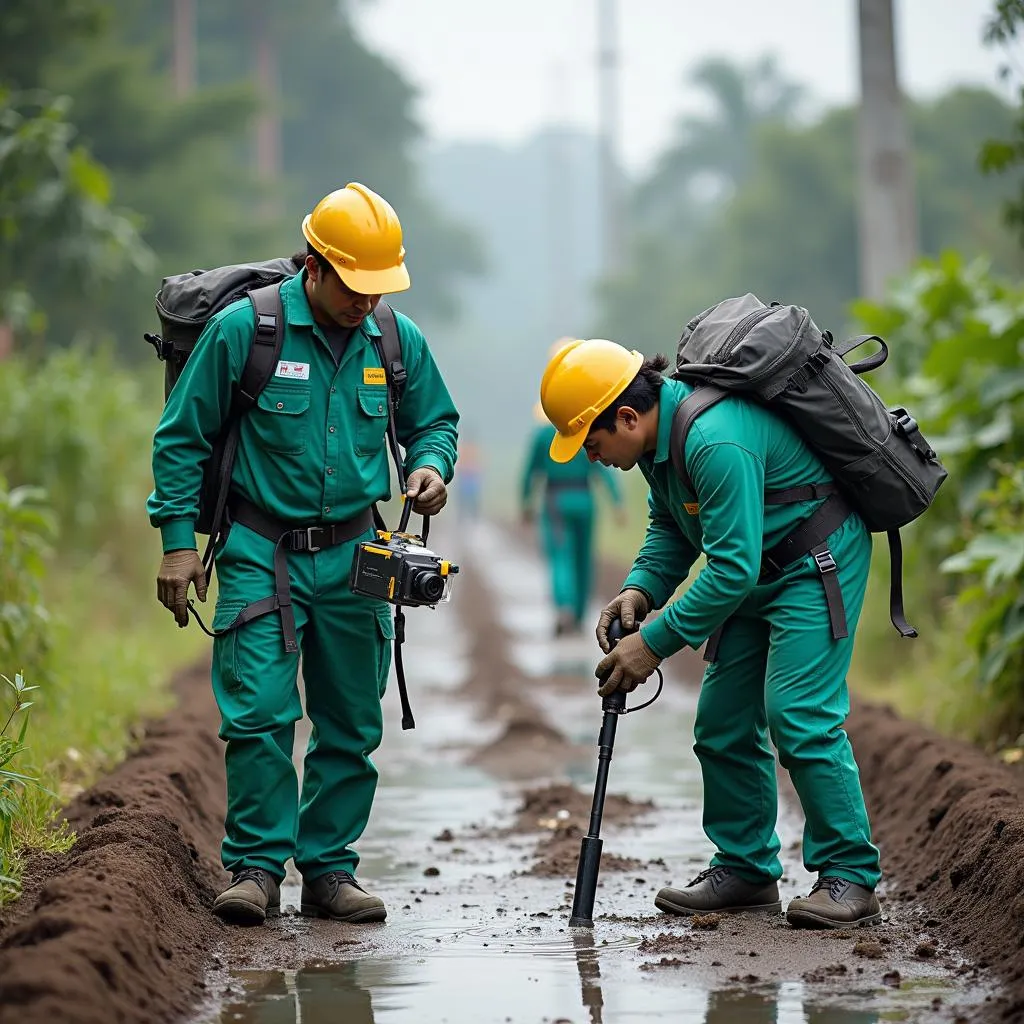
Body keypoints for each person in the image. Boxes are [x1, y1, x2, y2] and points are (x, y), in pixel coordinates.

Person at [148, 183, 459, 926]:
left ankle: (329, 870)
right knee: (259, 714)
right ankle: (255, 868)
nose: (364, 301)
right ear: (314, 266)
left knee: (351, 722)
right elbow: (180, 439)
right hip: (261, 549)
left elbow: (436, 420)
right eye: (353, 285)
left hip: (358, 551)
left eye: (376, 288)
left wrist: (431, 466)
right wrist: (176, 546)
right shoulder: (243, 332)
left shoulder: (393, 338)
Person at [538, 338, 881, 929]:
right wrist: (640, 590)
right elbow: (671, 526)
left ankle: (849, 876)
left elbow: (729, 568)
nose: (592, 458)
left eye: (592, 444)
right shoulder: (655, 443)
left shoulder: (712, 438)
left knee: (798, 715)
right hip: (757, 566)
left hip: (812, 559)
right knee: (721, 720)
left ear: (626, 416)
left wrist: (652, 644)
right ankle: (746, 868)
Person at [521, 393, 626, 637]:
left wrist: (526, 501)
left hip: (556, 500)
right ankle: (578, 616)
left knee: (561, 556)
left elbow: (530, 472)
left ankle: (564, 608)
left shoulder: (543, 435)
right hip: (585, 499)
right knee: (583, 558)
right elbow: (604, 468)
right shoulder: (583, 430)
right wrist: (617, 502)